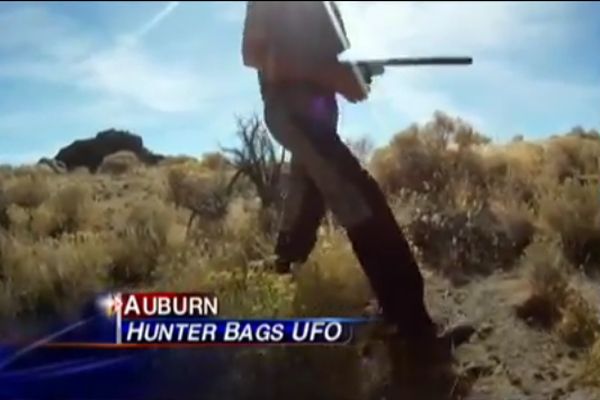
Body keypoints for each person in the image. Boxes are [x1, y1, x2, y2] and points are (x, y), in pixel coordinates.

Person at [242, 1, 473, 354]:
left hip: (314, 121)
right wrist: (333, 74)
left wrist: (357, 75)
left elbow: (335, 74)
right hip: (295, 117)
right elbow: (255, 54)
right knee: (363, 203)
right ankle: (413, 331)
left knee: (304, 214)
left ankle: (264, 310)